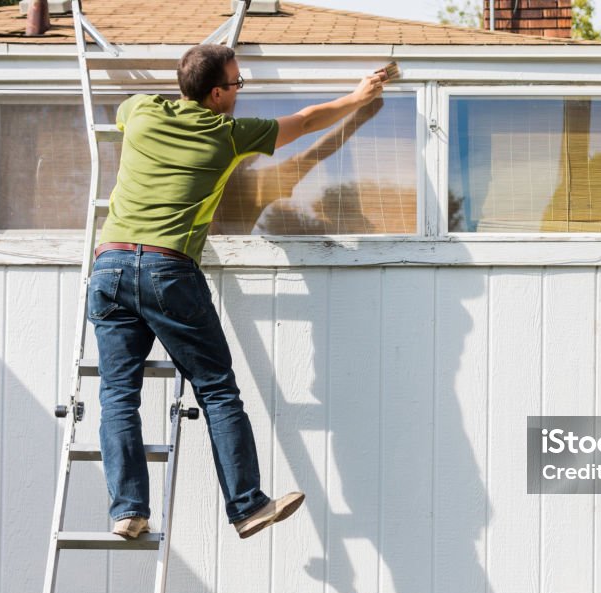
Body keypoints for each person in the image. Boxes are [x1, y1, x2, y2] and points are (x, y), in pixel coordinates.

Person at [87, 44, 387, 539]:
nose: (241, 91)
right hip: (167, 269)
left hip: (109, 265)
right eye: (237, 83)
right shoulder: (227, 135)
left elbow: (124, 113)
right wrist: (359, 97)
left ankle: (127, 510)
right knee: (217, 390)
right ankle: (247, 506)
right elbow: (310, 122)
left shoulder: (140, 110)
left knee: (118, 396)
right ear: (217, 94)